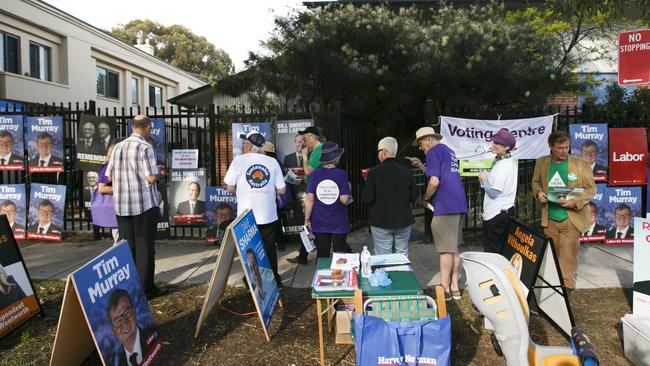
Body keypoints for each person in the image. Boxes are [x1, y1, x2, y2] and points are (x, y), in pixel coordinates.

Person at [406, 127, 467, 301]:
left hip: (445, 207)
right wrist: (421, 165)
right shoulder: (448, 151)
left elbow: (434, 181)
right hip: (458, 205)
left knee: (445, 251)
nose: (421, 148)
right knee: (454, 249)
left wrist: (425, 198)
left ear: (428, 140)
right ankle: (455, 287)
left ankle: (444, 289)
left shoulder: (433, 152)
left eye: (420, 143)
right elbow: (439, 174)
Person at [106, 115, 164, 298]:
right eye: (150, 128)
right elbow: (151, 177)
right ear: (147, 128)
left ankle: (128, 286)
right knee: (145, 246)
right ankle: (146, 289)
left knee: (127, 246)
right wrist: (159, 173)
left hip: (122, 205)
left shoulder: (118, 147)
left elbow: (108, 176)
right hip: (143, 205)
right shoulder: (145, 147)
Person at [532, 130, 595, 290]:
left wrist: (574, 202)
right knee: (552, 254)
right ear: (551, 146)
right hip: (549, 218)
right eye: (560, 148)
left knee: (568, 254)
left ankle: (566, 287)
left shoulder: (581, 164)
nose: (564, 151)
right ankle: (552, 284)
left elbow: (590, 190)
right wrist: (539, 193)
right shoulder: (542, 162)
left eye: (567, 147)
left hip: (571, 218)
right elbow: (535, 182)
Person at [224, 131, 286, 287]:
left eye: (245, 143)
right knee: (269, 248)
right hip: (268, 214)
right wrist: (267, 189)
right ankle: (274, 280)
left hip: (246, 216)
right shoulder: (272, 162)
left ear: (250, 146)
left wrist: (243, 189)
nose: (243, 146)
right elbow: (282, 190)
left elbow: (229, 187)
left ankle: (251, 280)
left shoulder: (238, 161)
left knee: (249, 250)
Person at [364, 136, 417, 256]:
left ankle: (385, 275)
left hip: (380, 221)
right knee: (402, 255)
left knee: (384, 257)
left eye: (378, 152)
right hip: (403, 219)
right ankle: (402, 274)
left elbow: (368, 198)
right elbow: (414, 197)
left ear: (383, 152)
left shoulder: (373, 172)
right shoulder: (407, 171)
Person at [304, 141, 352, 258]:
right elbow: (344, 200)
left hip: (319, 220)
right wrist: (349, 190)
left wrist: (307, 219)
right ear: (336, 157)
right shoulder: (342, 174)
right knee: (340, 255)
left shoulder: (315, 174)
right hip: (338, 221)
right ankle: (340, 275)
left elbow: (310, 200)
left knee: (322, 255)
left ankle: (321, 275)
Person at [478, 128, 518, 253]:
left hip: (496, 214)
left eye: (497, 143)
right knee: (499, 250)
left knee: (493, 251)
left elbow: (494, 193)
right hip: (502, 212)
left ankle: (493, 273)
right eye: (494, 142)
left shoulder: (503, 165)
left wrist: (483, 180)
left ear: (506, 147)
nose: (493, 145)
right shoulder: (506, 162)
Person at [288, 126, 323, 265]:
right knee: (308, 225)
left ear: (313, 137)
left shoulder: (318, 151)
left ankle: (315, 255)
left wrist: (304, 156)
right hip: (312, 191)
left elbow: (308, 171)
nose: (303, 142)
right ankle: (303, 255)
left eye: (305, 139)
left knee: (310, 224)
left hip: (315, 194)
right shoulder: (316, 151)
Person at [107, 289, 159, 366]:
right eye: (118, 320)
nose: (125, 323)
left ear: (134, 311)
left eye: (127, 313)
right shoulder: (119, 364)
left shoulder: (154, 339)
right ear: (114, 331)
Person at [93, 138, 123, 244]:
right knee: (120, 240)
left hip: (125, 208)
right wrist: (123, 190)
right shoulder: (107, 167)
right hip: (117, 209)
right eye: (110, 152)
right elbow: (102, 188)